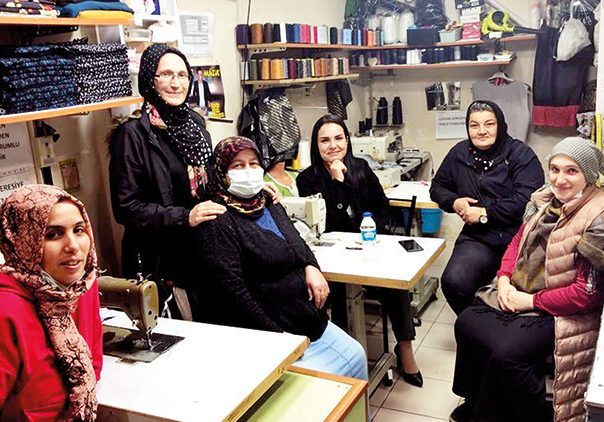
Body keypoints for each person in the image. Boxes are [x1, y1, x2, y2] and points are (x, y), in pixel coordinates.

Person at [449, 137, 604, 422]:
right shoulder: (545, 201)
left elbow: (586, 294)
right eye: (555, 169)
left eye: (571, 171)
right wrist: (504, 279)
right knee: (467, 323)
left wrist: (529, 301)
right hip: (524, 291)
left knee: (507, 353)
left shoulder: (602, 216)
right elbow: (517, 242)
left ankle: (527, 415)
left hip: (563, 309)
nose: (560, 179)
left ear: (589, 174)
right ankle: (477, 400)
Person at [109, 44, 279, 318]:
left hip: (200, 250)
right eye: (166, 74)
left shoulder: (196, 128)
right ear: (149, 79)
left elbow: (208, 186)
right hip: (158, 261)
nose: (176, 84)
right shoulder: (133, 135)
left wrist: (251, 188)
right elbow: (126, 208)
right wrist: (184, 217)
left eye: (182, 75)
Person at [194, 136, 367, 380]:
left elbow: (296, 240)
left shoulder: (267, 202)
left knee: (356, 355)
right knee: (324, 387)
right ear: (222, 173)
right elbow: (232, 293)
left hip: (306, 319)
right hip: (271, 333)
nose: (248, 171)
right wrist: (276, 335)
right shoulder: (218, 220)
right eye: (238, 165)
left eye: (254, 163)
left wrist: (311, 266)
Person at [0, 184, 103, 421]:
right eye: (52, 234)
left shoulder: (79, 290)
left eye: (79, 229)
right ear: (21, 241)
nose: (73, 246)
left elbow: (93, 365)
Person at [296, 114, 422, 387]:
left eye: (338, 138)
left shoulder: (362, 167)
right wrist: (338, 181)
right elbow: (328, 223)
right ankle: (346, 357)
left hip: (368, 247)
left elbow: (383, 207)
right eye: (325, 140)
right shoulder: (307, 179)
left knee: (395, 286)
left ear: (347, 140)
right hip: (334, 255)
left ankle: (405, 349)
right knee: (334, 294)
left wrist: (375, 233)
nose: (333, 145)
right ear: (316, 145)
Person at [430, 100, 544, 315]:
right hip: (480, 237)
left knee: (522, 296)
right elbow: (437, 187)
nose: (482, 131)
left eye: (489, 124)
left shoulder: (521, 154)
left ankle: (501, 326)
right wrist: (454, 201)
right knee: (454, 283)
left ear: (500, 125)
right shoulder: (459, 153)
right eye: (474, 125)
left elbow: (526, 199)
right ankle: (476, 323)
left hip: (520, 237)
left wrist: (484, 213)